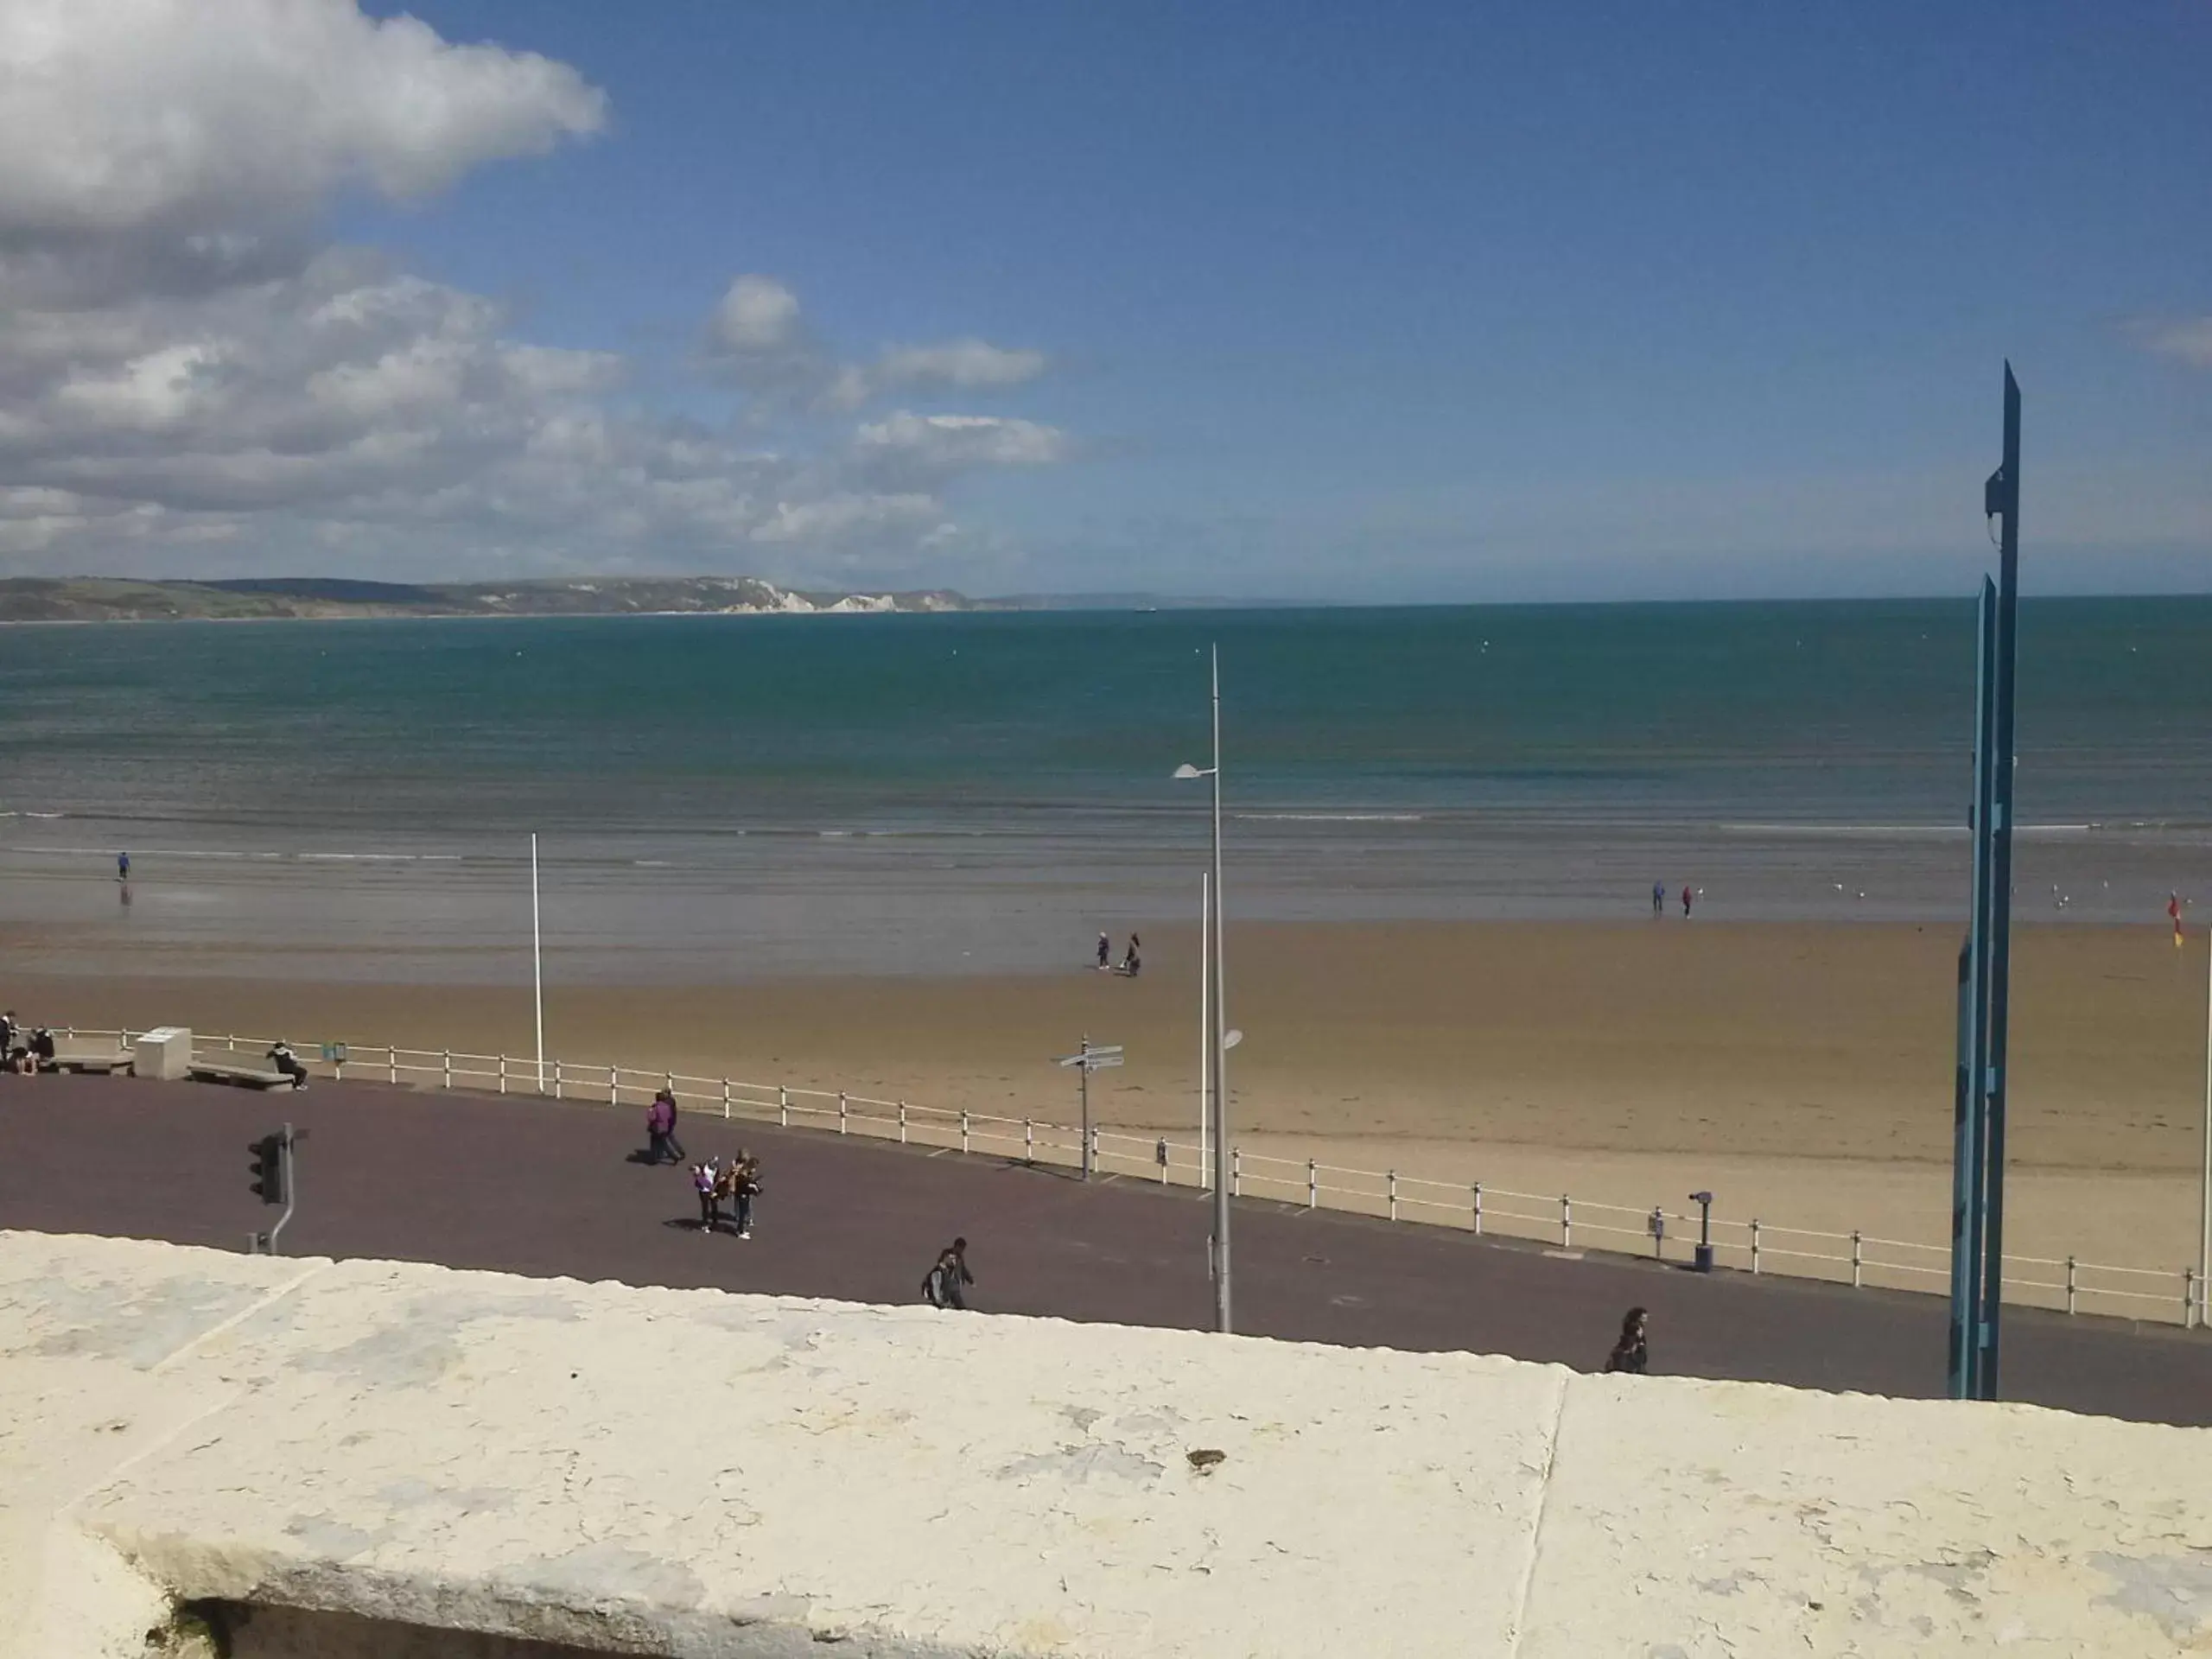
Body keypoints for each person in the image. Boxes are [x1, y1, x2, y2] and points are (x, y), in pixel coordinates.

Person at [922, 1237, 975, 1309]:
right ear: (956, 1246)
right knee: (943, 1304)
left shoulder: (960, 1258)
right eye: (960, 1248)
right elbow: (942, 1262)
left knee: (961, 1308)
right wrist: (946, 1263)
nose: (961, 1251)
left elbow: (963, 1270)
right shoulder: (947, 1253)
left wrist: (971, 1281)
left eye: (963, 1249)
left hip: (954, 1285)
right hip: (945, 1284)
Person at [1604, 1306, 1649, 1375]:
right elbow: (1632, 1344)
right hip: (1630, 1354)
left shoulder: (1635, 1328)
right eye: (1643, 1318)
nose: (1646, 1320)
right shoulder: (1634, 1329)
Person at [730, 1151, 760, 1239]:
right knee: (742, 1215)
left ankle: (742, 1230)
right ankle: (740, 1231)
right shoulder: (742, 1175)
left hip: (744, 1196)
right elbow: (743, 1187)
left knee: (744, 1212)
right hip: (742, 1196)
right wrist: (751, 1187)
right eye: (753, 1168)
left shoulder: (745, 1174)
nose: (754, 1170)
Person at [692, 1159, 721, 1233]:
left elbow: (717, 1178)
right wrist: (695, 1169)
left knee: (715, 1206)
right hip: (704, 1191)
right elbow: (692, 1167)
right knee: (705, 1208)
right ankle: (705, 1224)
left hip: (712, 1189)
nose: (714, 1169)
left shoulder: (716, 1169)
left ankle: (715, 1223)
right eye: (712, 1167)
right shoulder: (704, 1166)